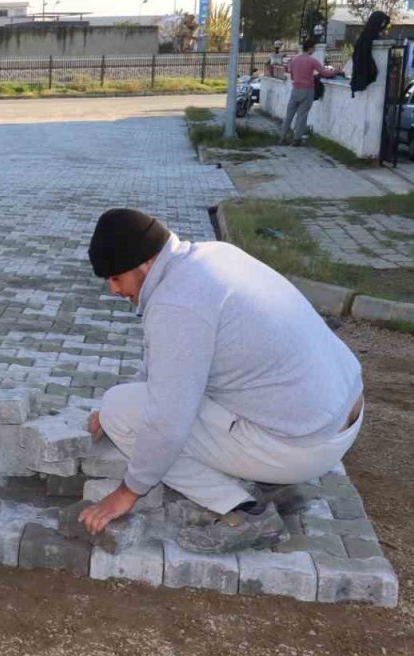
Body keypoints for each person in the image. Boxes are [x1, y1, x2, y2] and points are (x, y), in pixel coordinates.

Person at [77, 209, 365, 553]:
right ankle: (264, 476)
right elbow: (168, 359)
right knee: (145, 401)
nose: (112, 290)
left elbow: (168, 424)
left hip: (304, 445)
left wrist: (127, 492)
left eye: (115, 278)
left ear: (143, 264)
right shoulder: (211, 256)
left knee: (121, 411)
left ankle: (241, 509)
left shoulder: (177, 305)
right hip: (339, 411)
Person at [280, 39, 342, 146]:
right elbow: (325, 73)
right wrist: (336, 71)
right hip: (307, 90)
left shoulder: (294, 60)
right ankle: (297, 139)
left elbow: (292, 75)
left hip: (295, 89)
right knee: (302, 115)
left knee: (289, 114)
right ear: (310, 48)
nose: (314, 50)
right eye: (313, 48)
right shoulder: (312, 61)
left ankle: (282, 137)